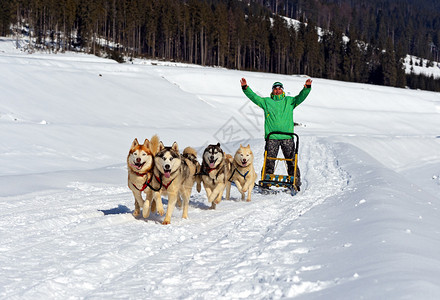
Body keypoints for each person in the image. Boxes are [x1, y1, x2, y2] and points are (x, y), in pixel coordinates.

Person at [240, 77, 312, 190]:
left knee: (292, 160)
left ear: (282, 90)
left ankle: (295, 182)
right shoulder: (267, 102)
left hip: (287, 137)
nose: (277, 90)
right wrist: (245, 88)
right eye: (275, 88)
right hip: (272, 137)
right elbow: (254, 97)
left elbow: (301, 97)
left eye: (279, 88)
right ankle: (266, 183)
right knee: (269, 160)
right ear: (272, 90)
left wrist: (306, 88)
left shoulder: (289, 101)